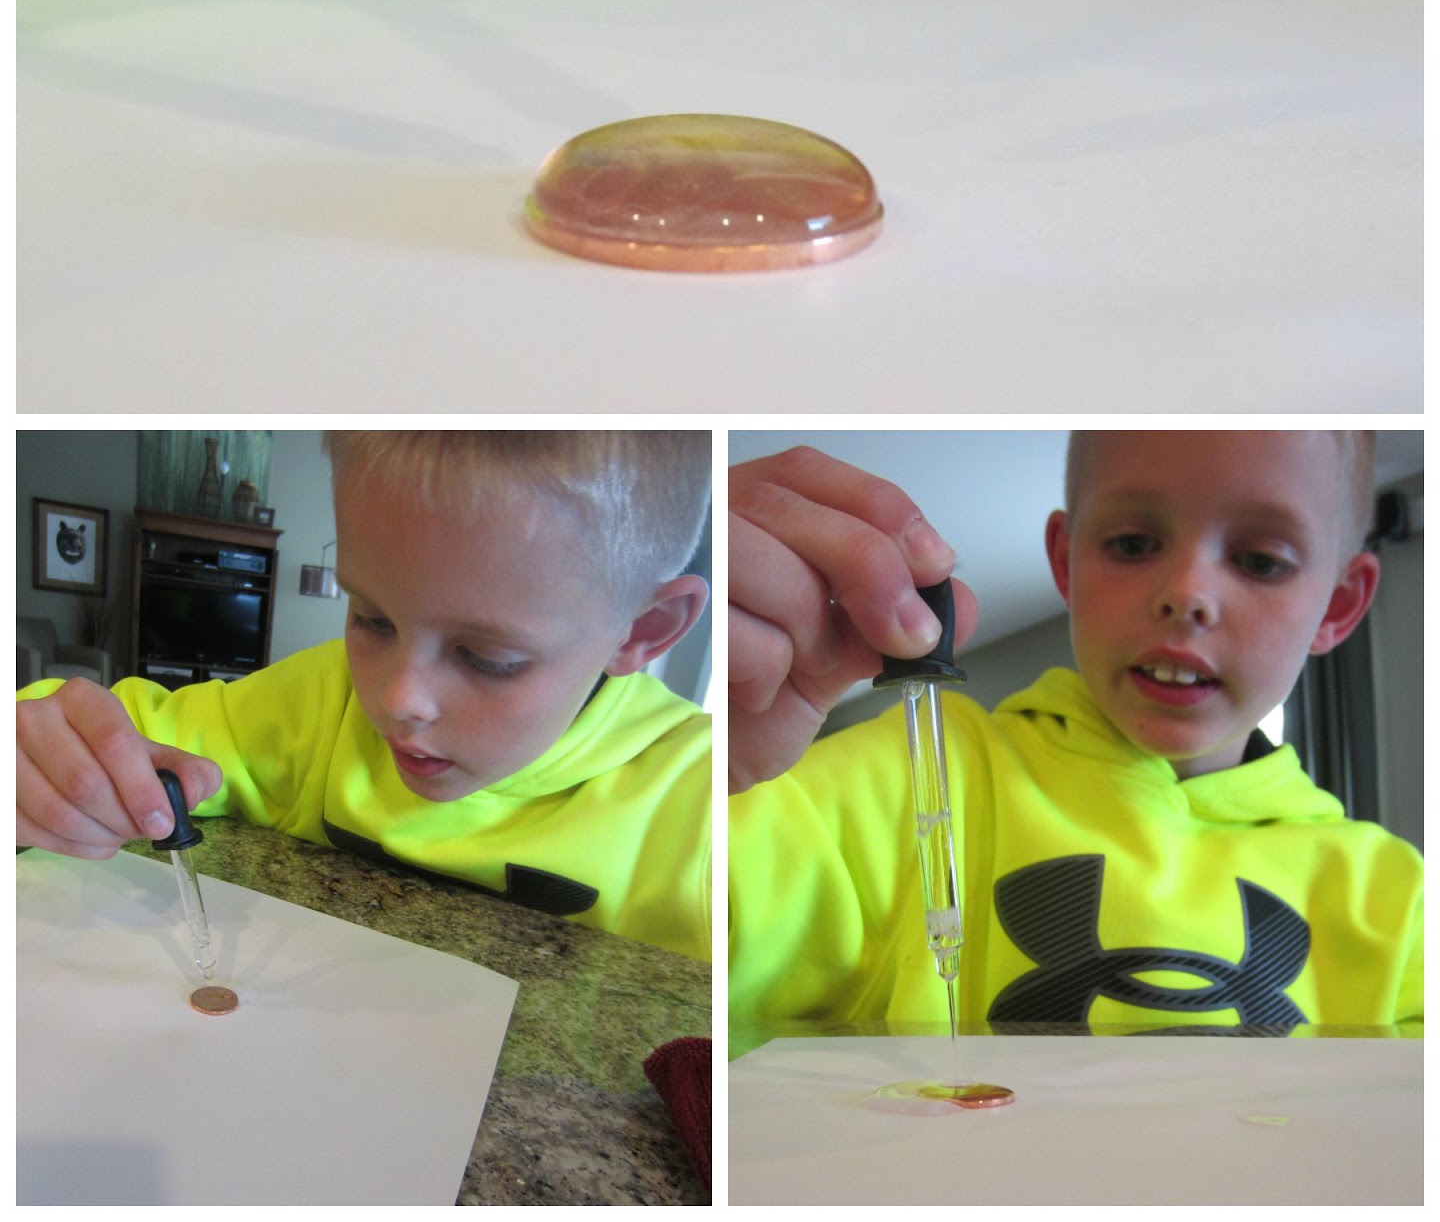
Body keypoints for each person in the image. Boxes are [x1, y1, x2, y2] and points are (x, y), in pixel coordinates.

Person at [728, 431, 1423, 1030]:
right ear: (1065, 562)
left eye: (1260, 561)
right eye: (1133, 543)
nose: (1187, 593)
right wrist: (724, 773)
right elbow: (685, 937)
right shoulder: (912, 773)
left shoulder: (1395, 900)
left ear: (1338, 604)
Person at [18, 431, 713, 961]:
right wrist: (47, 757)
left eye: (488, 657)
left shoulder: (713, 803)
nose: (398, 696)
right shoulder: (318, 699)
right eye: (372, 619)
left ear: (644, 630)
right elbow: (116, 735)